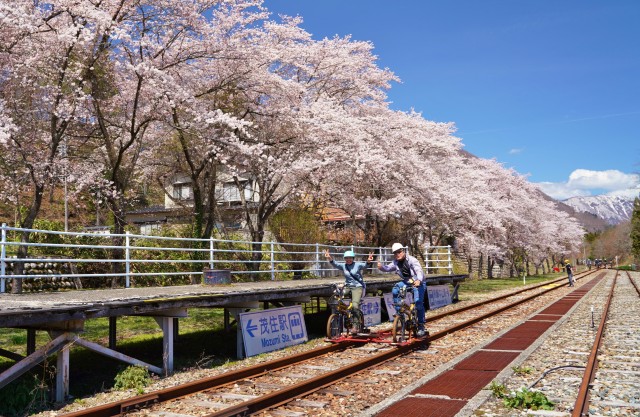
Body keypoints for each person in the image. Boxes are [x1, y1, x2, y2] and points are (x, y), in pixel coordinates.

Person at [377, 243, 427, 337]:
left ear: (403, 251)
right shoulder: (396, 262)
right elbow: (388, 268)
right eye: (395, 253)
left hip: (418, 281)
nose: (397, 254)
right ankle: (399, 312)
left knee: (418, 303)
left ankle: (421, 325)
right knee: (396, 288)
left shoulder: (412, 260)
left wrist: (419, 280)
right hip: (407, 282)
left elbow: (418, 270)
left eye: (399, 252)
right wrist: (381, 267)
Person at [325, 249, 374, 332]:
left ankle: (355, 325)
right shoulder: (344, 266)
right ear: (344, 259)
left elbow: (365, 265)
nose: (348, 259)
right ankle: (342, 315)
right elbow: (335, 264)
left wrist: (368, 261)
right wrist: (329, 257)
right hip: (347, 286)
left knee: (355, 306)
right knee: (337, 296)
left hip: (357, 287)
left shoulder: (357, 265)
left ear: (353, 258)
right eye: (346, 258)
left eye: (350, 258)